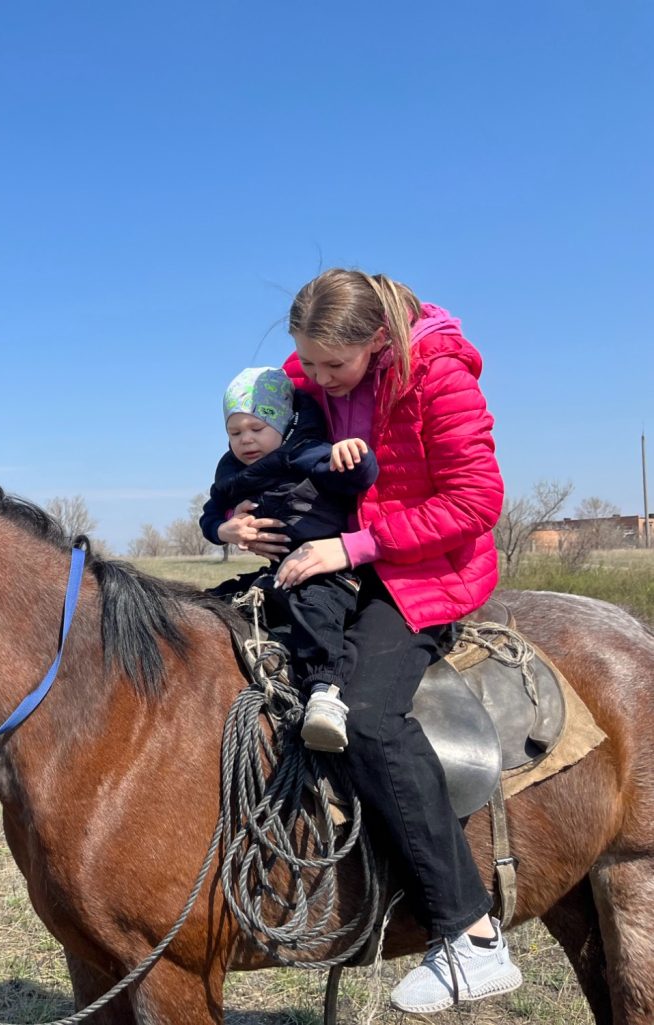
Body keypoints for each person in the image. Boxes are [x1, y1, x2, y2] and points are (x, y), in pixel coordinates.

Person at [219, 269, 516, 1013]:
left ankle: (472, 934)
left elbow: (476, 500)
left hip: (425, 571)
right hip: (337, 559)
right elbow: (261, 460)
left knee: (366, 711)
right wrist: (232, 524)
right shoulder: (304, 380)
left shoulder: (440, 378)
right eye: (306, 363)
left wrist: (351, 548)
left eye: (331, 367)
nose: (312, 379)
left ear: (378, 341)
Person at [200, 366, 378, 752]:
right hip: (276, 572)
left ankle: (325, 695)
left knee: (316, 609)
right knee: (212, 601)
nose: (246, 440)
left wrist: (354, 455)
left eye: (257, 428)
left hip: (327, 571)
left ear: (283, 423)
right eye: (235, 432)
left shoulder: (308, 453)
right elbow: (211, 514)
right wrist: (225, 530)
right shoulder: (234, 474)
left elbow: (358, 478)